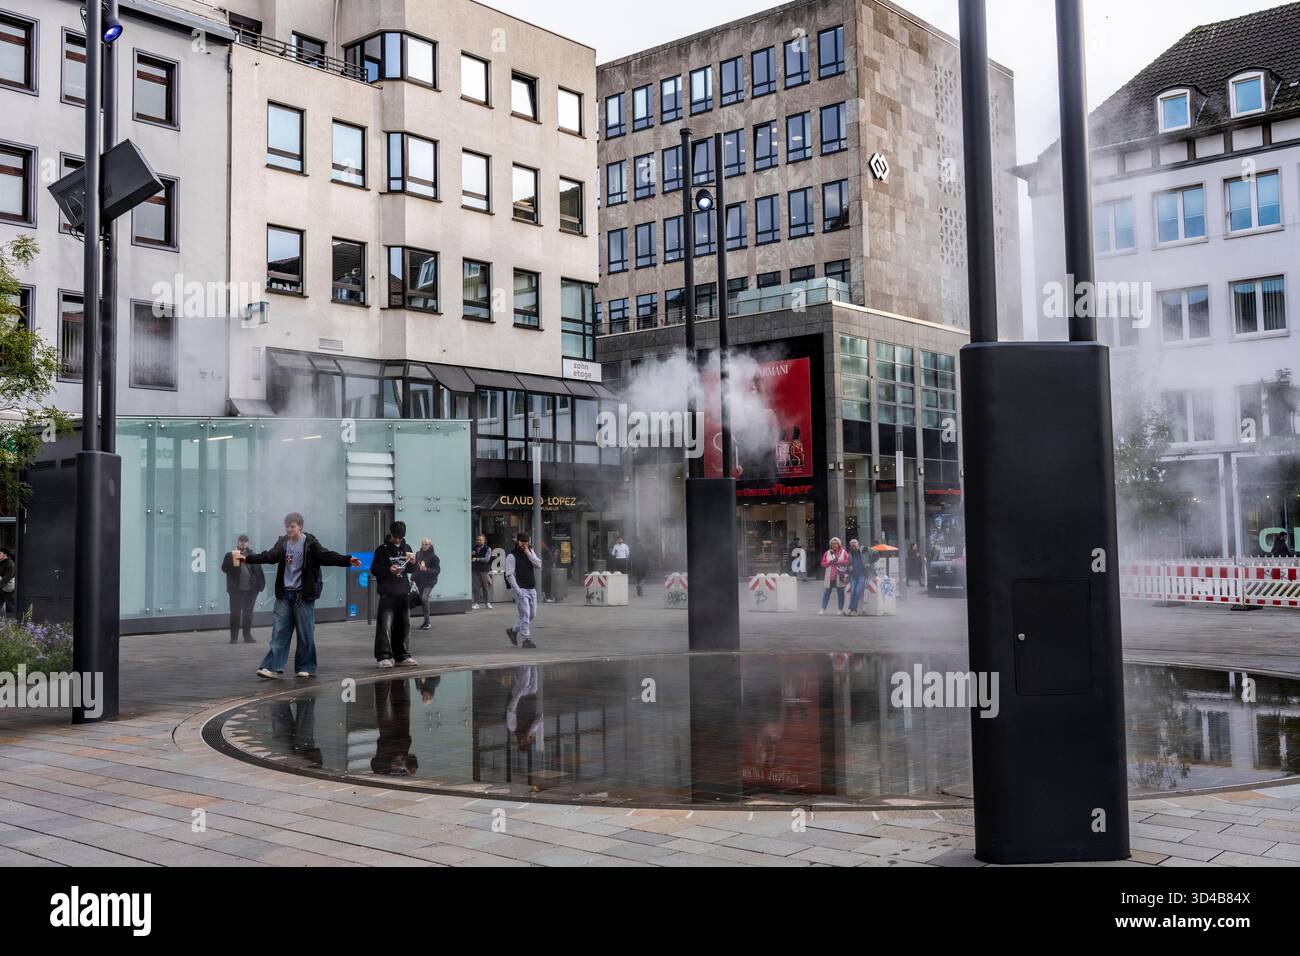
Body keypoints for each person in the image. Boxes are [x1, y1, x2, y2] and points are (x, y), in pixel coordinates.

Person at [241, 512, 361, 680]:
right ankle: (271, 667)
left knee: (305, 633)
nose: (289, 529)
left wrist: (347, 560)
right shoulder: (282, 543)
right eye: (287, 526)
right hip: (284, 594)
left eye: (292, 526)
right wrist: (248, 559)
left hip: (303, 596)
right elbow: (269, 556)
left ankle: (306, 667)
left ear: (300, 527)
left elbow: (326, 556)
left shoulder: (310, 544)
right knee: (279, 631)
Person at [371, 521, 418, 669]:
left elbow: (410, 570)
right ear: (391, 534)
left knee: (404, 625)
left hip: (403, 592)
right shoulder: (382, 549)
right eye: (396, 537)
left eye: (401, 537)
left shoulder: (407, 548)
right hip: (387, 592)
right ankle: (383, 656)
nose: (398, 540)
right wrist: (388, 569)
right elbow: (375, 569)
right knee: (384, 625)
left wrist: (413, 562)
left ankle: (402, 655)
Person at [221, 535, 265, 644]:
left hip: (251, 590)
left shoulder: (252, 555)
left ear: (248, 543)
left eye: (245, 541)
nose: (243, 543)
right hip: (236, 590)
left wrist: (260, 585)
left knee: (248, 614)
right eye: (241, 541)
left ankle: (247, 636)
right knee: (235, 614)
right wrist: (233, 559)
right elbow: (224, 569)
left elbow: (259, 571)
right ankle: (234, 637)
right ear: (238, 542)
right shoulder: (230, 555)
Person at [505, 531, 542, 649]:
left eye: (526, 542)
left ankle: (513, 630)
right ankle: (526, 639)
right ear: (518, 541)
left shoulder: (530, 551)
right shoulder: (512, 555)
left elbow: (538, 565)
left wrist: (528, 554)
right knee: (525, 614)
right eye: (522, 542)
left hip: (531, 588)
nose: (524, 544)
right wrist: (518, 590)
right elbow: (509, 574)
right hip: (521, 589)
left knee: (532, 615)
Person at [413, 537, 441, 629]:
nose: (424, 546)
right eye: (423, 544)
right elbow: (416, 568)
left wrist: (426, 569)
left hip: (430, 581)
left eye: (426, 544)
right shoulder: (418, 554)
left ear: (430, 545)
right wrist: (412, 578)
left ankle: (427, 622)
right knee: (423, 600)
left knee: (424, 598)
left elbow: (437, 571)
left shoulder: (434, 557)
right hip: (420, 581)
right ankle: (426, 621)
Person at [819, 537, 850, 615]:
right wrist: (830, 562)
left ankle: (840, 609)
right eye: (833, 544)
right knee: (827, 593)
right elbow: (823, 563)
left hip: (840, 576)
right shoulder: (827, 553)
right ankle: (823, 608)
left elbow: (848, 561)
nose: (834, 545)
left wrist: (840, 561)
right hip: (830, 576)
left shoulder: (843, 552)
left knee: (840, 593)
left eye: (836, 544)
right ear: (831, 545)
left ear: (839, 544)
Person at [471, 534, 493, 609]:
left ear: (484, 540)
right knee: (475, 587)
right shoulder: (474, 548)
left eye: (480, 540)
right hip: (475, 569)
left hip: (484, 570)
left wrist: (477, 559)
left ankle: (487, 602)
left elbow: (487, 559)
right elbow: (471, 557)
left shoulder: (488, 548)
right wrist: (471, 555)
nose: (478, 541)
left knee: (485, 586)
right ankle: (477, 603)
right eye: (478, 540)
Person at [846, 539, 868, 615]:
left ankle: (852, 609)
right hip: (853, 575)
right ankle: (853, 610)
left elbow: (876, 555)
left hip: (862, 574)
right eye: (852, 545)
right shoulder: (850, 554)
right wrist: (849, 567)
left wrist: (869, 564)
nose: (853, 546)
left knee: (857, 590)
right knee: (853, 591)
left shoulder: (863, 552)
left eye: (855, 545)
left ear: (858, 545)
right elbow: (847, 565)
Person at [0, 546, 15, 616]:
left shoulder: (10, 564)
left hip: (7, 588)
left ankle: (18, 622)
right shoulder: (1, 562)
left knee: (12, 606)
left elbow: (7, 578)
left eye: (0, 553)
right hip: (1, 588)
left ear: (5, 554)